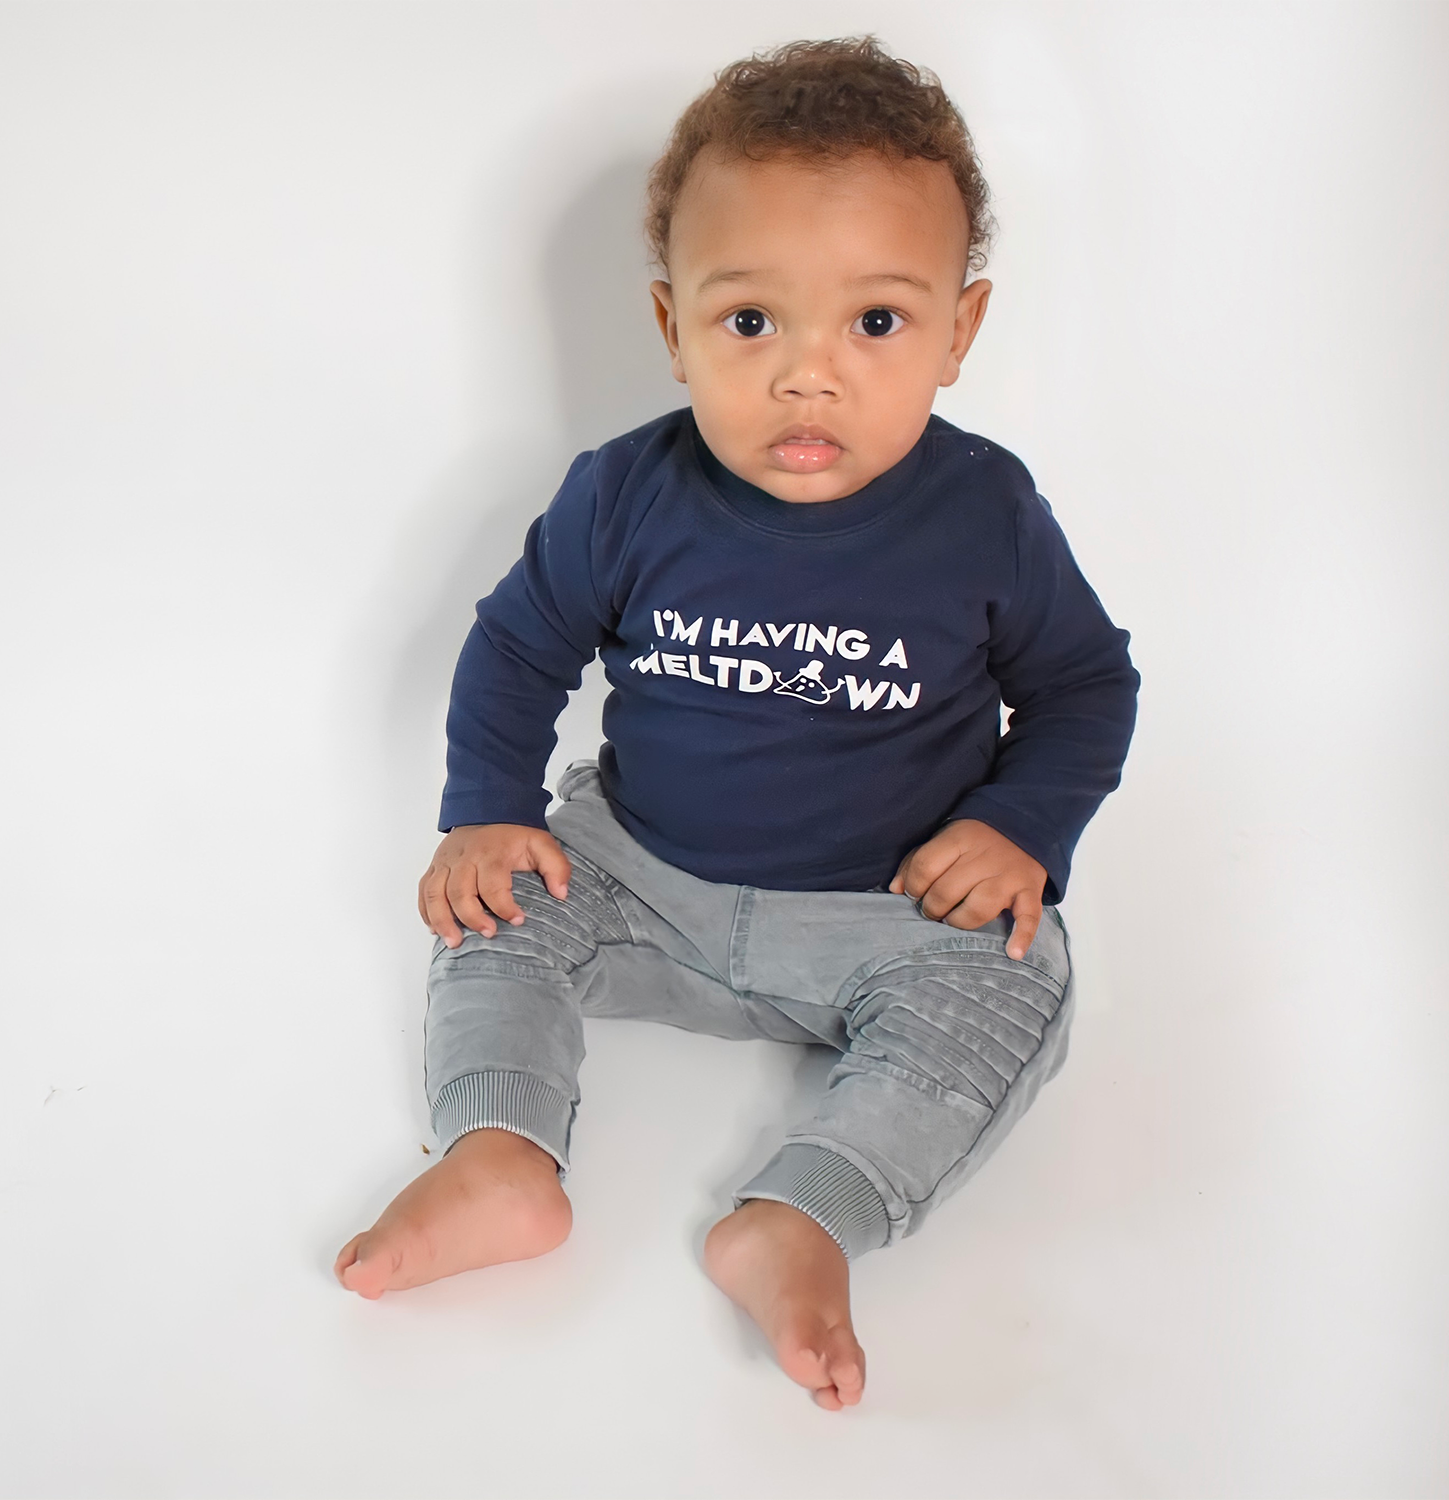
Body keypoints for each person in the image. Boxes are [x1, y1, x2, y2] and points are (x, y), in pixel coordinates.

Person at [335, 35, 1139, 1412]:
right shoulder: (623, 494)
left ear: (960, 330)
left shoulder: (987, 514)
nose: (808, 377)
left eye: (875, 324)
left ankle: (804, 1214)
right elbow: (520, 645)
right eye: (752, 322)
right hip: (642, 880)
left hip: (889, 909)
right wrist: (488, 811)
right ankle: (498, 1153)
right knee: (493, 912)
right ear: (673, 327)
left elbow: (1083, 685)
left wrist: (1019, 825)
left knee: (1022, 979)